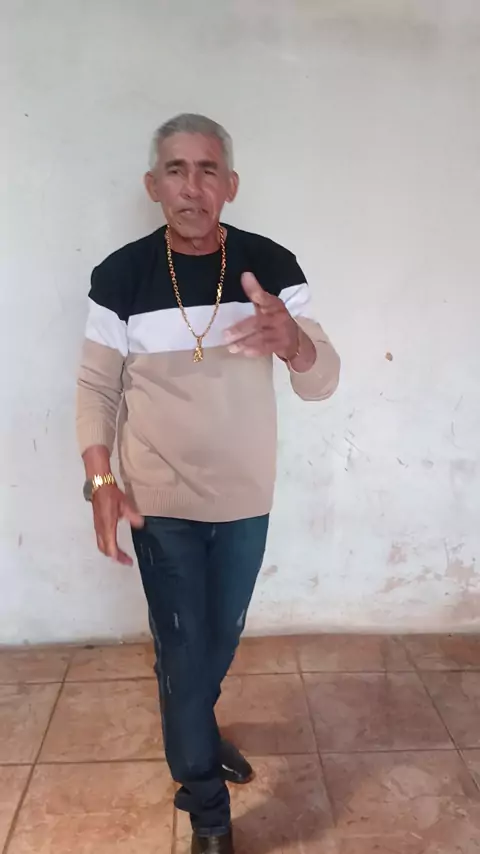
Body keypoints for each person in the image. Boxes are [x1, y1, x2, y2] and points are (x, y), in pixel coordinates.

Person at [76, 113, 340, 854]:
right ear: (152, 184)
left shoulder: (270, 266)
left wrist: (294, 342)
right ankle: (207, 807)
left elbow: (322, 380)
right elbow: (96, 387)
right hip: (156, 499)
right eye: (176, 170)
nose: (191, 187)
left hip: (245, 496)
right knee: (186, 647)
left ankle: (195, 717)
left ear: (230, 184)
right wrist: (100, 478)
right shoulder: (121, 275)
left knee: (216, 638)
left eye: (206, 170)